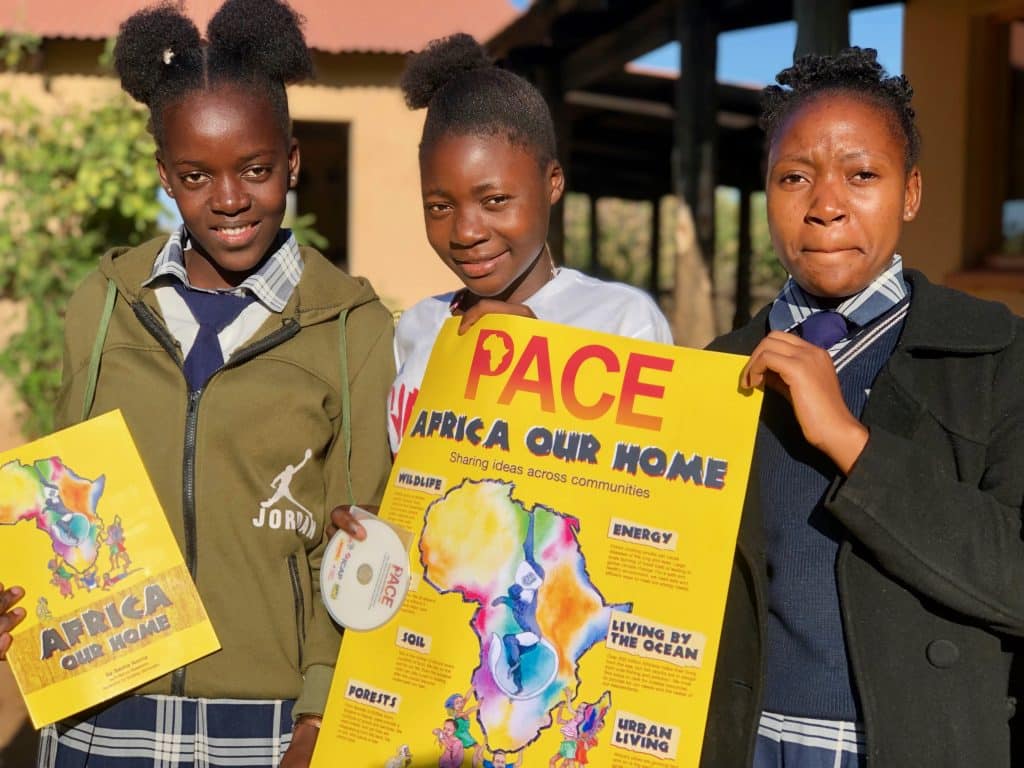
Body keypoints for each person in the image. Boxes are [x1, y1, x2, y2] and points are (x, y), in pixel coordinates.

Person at [0, 1, 394, 765]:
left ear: (293, 161)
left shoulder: (352, 328)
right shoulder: (103, 302)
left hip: (272, 728)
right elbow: (57, 498)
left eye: (255, 169)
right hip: (98, 711)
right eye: (195, 175)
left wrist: (318, 716)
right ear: (164, 177)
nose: (229, 199)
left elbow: (353, 544)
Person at [704, 47, 1024, 767]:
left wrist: (851, 441)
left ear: (910, 193)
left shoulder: (997, 358)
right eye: (794, 177)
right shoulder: (717, 370)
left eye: (862, 175)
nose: (825, 206)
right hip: (750, 746)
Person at [335, 32, 672, 544]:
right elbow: (429, 489)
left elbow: (653, 512)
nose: (466, 232)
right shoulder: (420, 328)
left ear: (552, 183)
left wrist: (545, 360)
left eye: (494, 201)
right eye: (439, 207)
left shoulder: (621, 321)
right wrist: (384, 520)